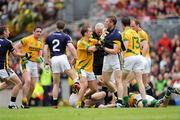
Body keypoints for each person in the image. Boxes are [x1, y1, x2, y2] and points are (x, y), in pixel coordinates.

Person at [44, 20, 78, 108]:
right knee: (74, 76)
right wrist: (76, 57)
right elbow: (71, 47)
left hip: (54, 59)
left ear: (56, 26)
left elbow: (45, 50)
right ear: (64, 27)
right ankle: (77, 85)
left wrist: (46, 60)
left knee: (56, 83)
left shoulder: (49, 36)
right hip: (62, 57)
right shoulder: (66, 36)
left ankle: (54, 103)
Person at [15, 26, 44, 108]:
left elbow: (40, 53)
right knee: (27, 81)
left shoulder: (40, 42)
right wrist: (22, 55)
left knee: (33, 86)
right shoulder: (26, 39)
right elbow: (15, 47)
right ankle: (23, 99)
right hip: (25, 62)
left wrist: (41, 58)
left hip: (34, 64)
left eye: (40, 31)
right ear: (33, 32)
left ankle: (25, 103)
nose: (39, 33)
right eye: (37, 31)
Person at [121, 16, 147, 107]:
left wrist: (121, 58)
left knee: (122, 80)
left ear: (123, 25)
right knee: (139, 80)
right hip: (138, 57)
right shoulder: (136, 33)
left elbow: (125, 47)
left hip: (130, 57)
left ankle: (125, 102)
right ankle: (144, 100)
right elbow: (141, 46)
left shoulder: (125, 33)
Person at [0, 25, 28, 109]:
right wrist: (25, 55)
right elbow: (15, 54)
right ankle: (12, 104)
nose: (9, 32)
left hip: (2, 68)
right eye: (7, 31)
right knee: (19, 83)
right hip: (4, 68)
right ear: (4, 32)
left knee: (7, 83)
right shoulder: (8, 42)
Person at [101, 16, 125, 107]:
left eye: (107, 21)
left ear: (112, 23)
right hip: (106, 58)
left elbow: (115, 51)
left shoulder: (116, 34)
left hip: (115, 58)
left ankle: (120, 101)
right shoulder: (106, 32)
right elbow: (101, 42)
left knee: (118, 80)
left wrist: (103, 48)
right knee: (105, 80)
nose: (105, 23)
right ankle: (116, 92)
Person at [75, 25, 100, 108]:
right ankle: (78, 104)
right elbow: (91, 49)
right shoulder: (80, 42)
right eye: (90, 31)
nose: (91, 32)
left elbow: (99, 41)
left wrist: (102, 38)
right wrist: (99, 44)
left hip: (89, 69)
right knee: (84, 85)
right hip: (81, 68)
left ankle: (84, 96)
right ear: (85, 33)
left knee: (94, 89)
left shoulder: (91, 40)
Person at [131, 19, 153, 96]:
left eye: (133, 26)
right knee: (143, 82)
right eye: (131, 26)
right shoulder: (135, 33)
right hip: (143, 58)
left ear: (138, 25)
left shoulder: (142, 33)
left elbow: (146, 46)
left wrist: (141, 57)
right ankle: (151, 99)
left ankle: (152, 98)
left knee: (142, 82)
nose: (132, 28)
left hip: (144, 58)